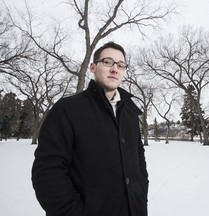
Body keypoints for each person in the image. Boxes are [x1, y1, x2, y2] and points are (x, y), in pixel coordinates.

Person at [32, 42, 149, 216]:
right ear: (93, 67)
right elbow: (47, 171)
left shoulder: (130, 113)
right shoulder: (68, 109)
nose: (115, 68)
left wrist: (140, 195)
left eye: (120, 64)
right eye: (108, 62)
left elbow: (138, 159)